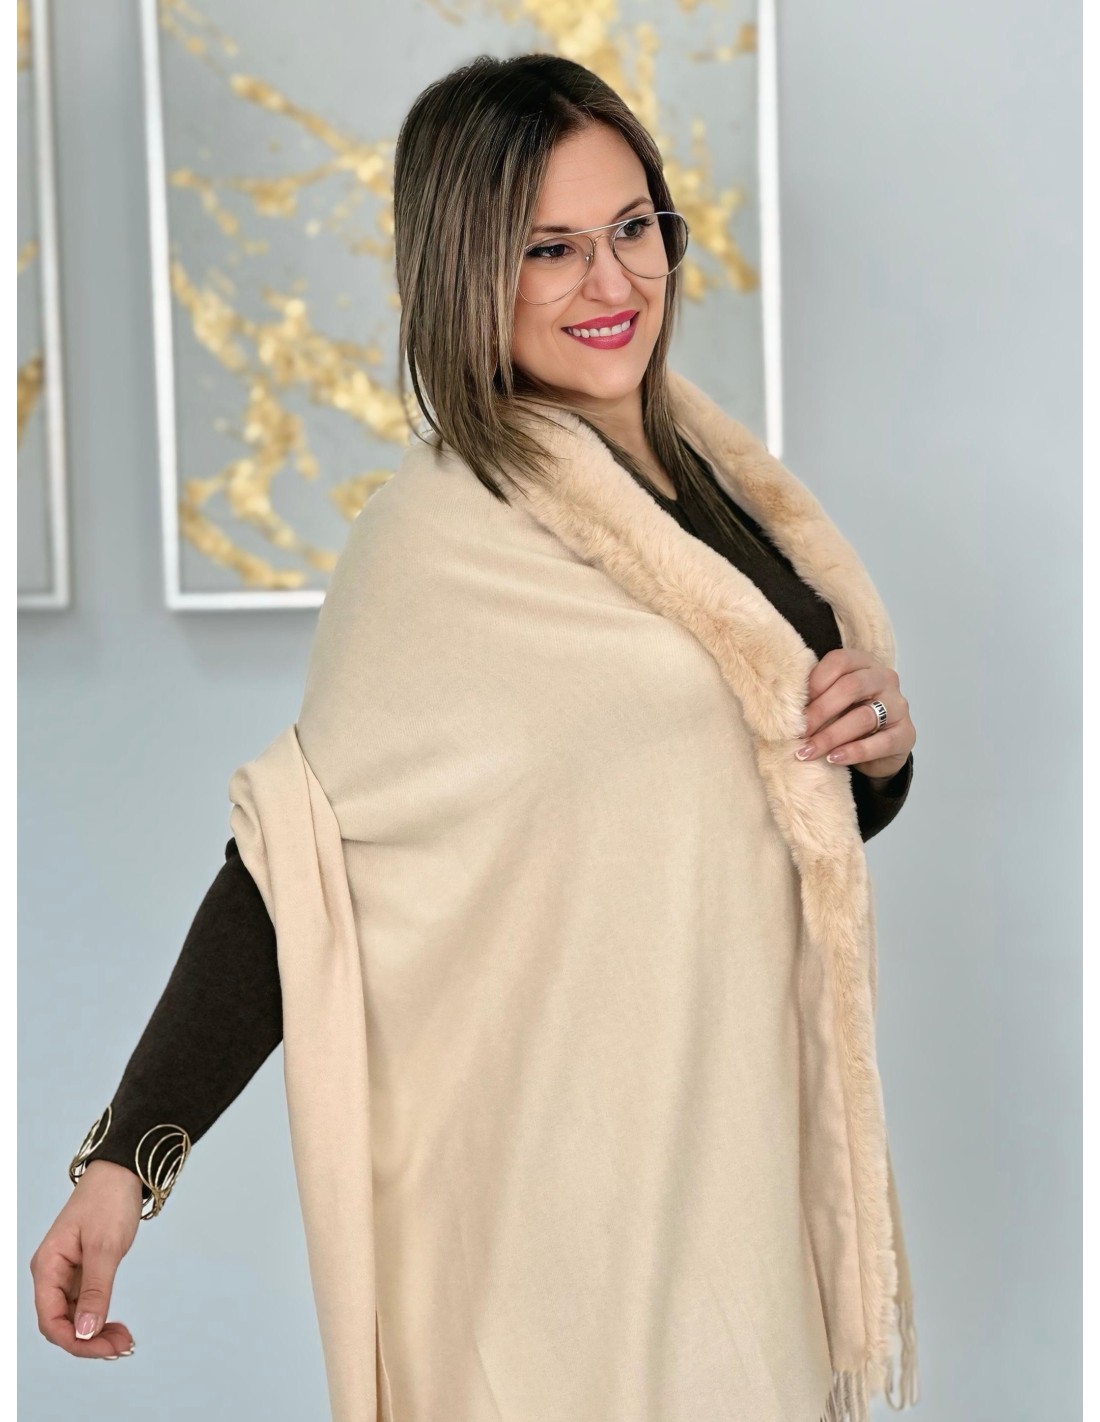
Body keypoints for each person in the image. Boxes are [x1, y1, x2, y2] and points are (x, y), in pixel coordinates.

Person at [30, 53, 920, 1422]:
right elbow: (295, 867)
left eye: (632, 227)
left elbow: (756, 798)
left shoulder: (723, 487)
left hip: (736, 1142)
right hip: (557, 1197)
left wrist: (880, 757)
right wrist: (124, 1161)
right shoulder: (439, 540)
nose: (612, 281)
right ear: (467, 271)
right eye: (549, 248)